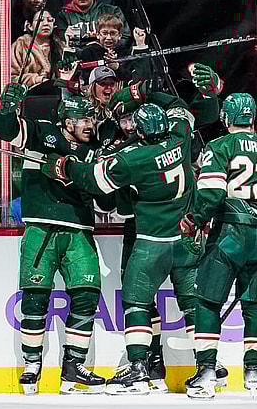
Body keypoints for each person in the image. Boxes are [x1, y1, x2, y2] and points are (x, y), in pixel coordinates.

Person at [41, 100, 200, 395]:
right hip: (185, 240)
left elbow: (94, 181)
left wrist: (66, 165)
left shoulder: (133, 158)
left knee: (137, 302)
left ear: (138, 130)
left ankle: (139, 367)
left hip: (152, 240)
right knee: (191, 302)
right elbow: (181, 108)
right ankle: (206, 368)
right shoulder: (180, 133)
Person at [0, 86, 106, 395]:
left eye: (91, 118)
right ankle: (32, 366)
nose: (89, 124)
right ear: (67, 121)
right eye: (83, 118)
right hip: (41, 228)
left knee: (86, 296)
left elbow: (106, 197)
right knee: (35, 299)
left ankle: (74, 366)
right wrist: (6, 110)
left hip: (80, 230)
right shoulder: (43, 132)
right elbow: (6, 130)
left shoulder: (95, 149)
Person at [180, 93, 257, 399]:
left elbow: (211, 192)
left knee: (208, 301)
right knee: (256, 305)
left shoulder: (220, 146)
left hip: (230, 233)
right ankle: (253, 372)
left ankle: (207, 371)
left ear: (227, 117)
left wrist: (195, 218)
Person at [56, 0, 130, 51]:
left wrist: (105, 49)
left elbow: (125, 37)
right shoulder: (63, 15)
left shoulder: (112, 11)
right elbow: (61, 43)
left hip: (109, 57)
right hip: (78, 59)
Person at [10, 10, 62, 90]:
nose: (46, 24)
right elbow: (12, 77)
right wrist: (37, 80)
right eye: (40, 20)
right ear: (30, 26)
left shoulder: (60, 46)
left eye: (50, 20)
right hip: (29, 94)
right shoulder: (20, 45)